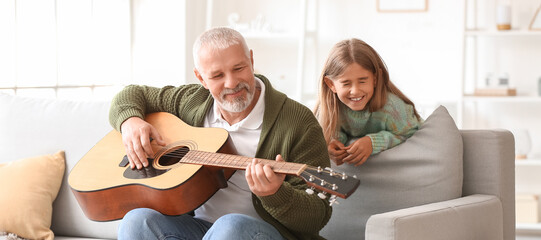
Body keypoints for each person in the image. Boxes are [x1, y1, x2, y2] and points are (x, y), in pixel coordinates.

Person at [109, 27, 332, 240]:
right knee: (137, 220)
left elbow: (319, 215)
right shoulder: (192, 101)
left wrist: (276, 194)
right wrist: (130, 121)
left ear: (252, 61)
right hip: (199, 228)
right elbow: (130, 94)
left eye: (239, 68)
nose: (232, 83)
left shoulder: (298, 121)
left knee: (231, 226)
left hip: (262, 233)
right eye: (217, 76)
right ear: (201, 78)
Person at [313, 38, 422, 167]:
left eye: (363, 81)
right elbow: (334, 131)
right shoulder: (331, 108)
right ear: (331, 84)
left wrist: (373, 142)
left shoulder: (392, 106)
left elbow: (411, 134)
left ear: (375, 79)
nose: (355, 91)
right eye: (346, 83)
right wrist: (333, 143)